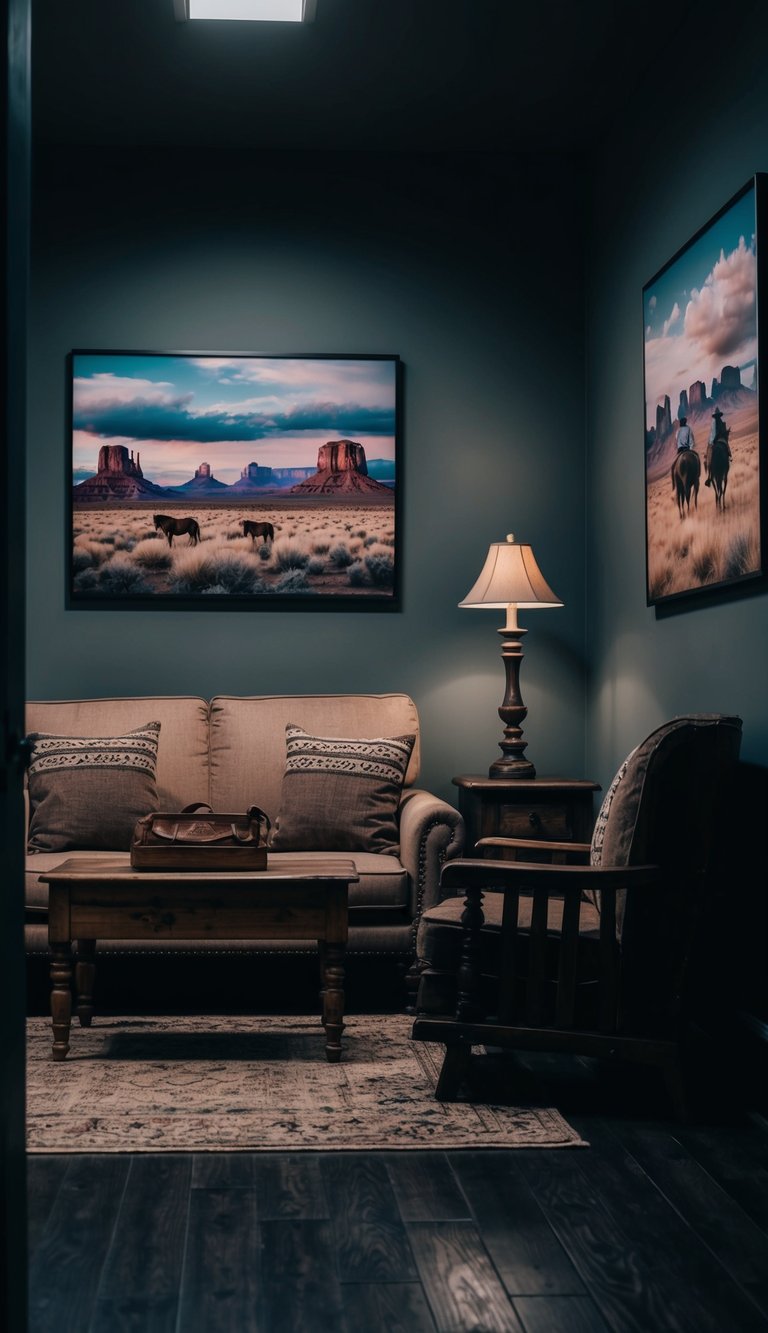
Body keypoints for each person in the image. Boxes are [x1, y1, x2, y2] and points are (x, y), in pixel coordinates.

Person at [705, 406, 732, 485]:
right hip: (722, 441)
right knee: (726, 445)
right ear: (719, 415)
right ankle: (729, 455)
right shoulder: (723, 423)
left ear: (715, 416)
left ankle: (709, 477)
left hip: (716, 441)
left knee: (709, 455)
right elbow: (724, 434)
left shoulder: (714, 424)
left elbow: (712, 435)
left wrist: (711, 442)